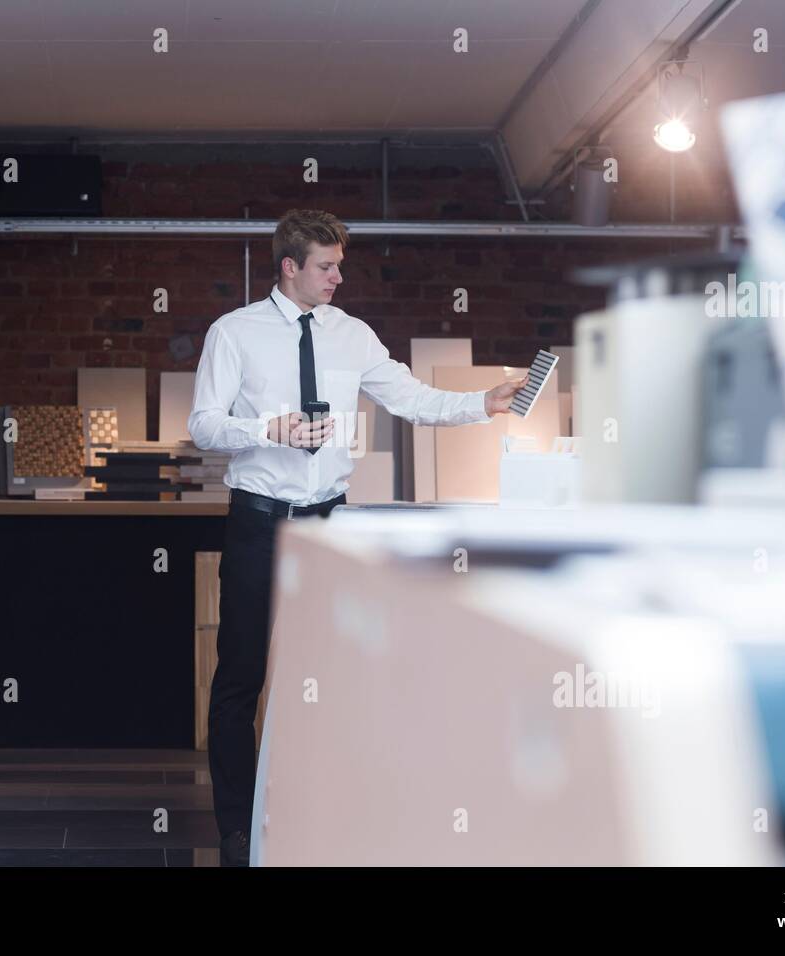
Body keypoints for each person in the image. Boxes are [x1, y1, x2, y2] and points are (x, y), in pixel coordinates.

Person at [186, 208, 529, 866]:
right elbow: (204, 424)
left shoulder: (353, 336)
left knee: (325, 678)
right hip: (260, 521)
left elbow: (410, 398)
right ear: (290, 267)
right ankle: (237, 831)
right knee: (241, 678)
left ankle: (314, 818)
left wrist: (483, 402)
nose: (338, 277)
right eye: (326, 266)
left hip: (328, 525)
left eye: (339, 265)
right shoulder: (235, 333)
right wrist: (271, 430)